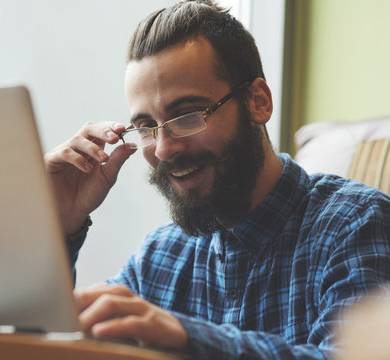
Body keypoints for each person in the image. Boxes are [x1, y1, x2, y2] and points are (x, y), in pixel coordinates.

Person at [44, 1, 390, 359]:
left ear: (258, 102)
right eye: (146, 127)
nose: (164, 149)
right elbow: (44, 342)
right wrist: (59, 223)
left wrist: (186, 338)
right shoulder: (161, 258)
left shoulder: (357, 223)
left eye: (188, 115)